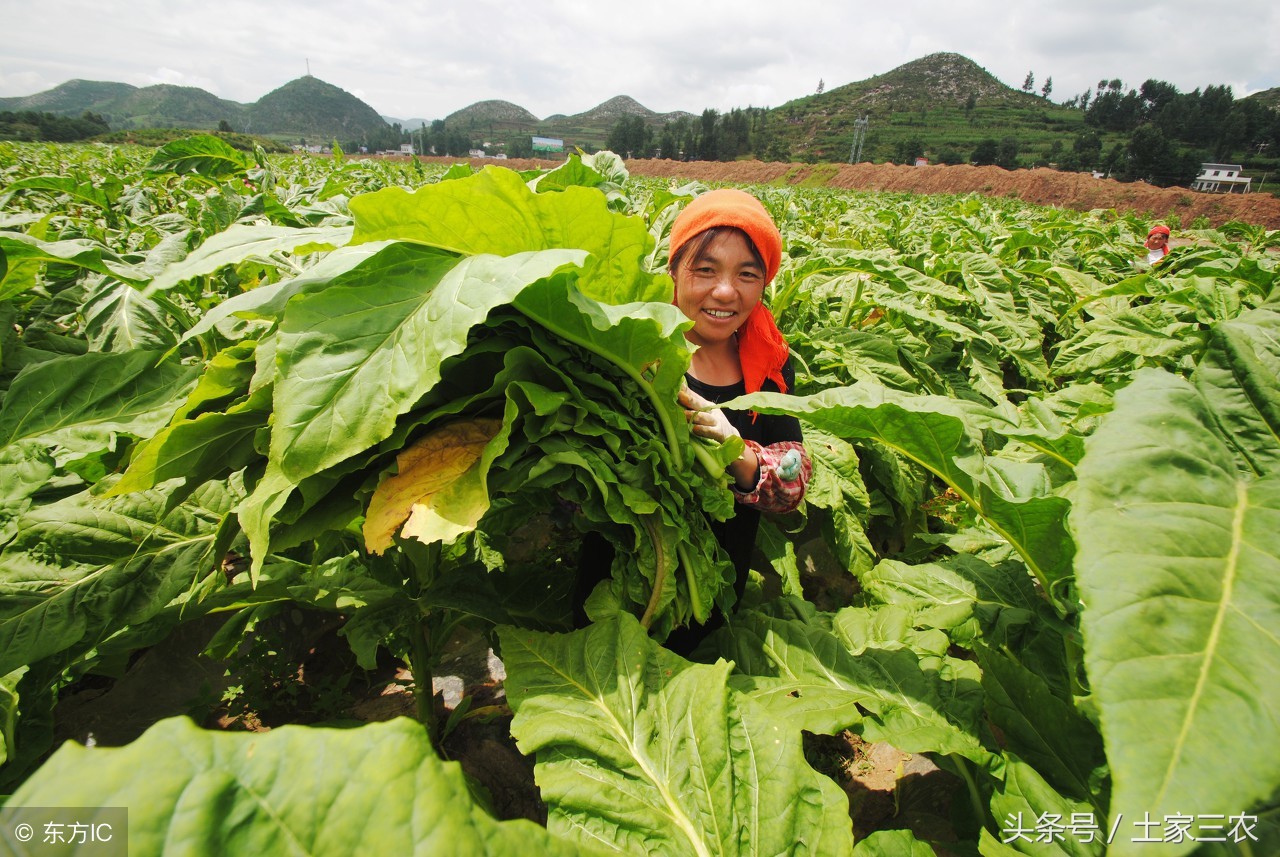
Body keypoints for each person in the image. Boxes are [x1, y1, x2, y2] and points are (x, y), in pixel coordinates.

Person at [575, 188, 812, 651]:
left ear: (764, 284)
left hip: (715, 591)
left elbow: (795, 480)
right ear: (673, 272)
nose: (725, 292)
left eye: (747, 274)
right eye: (705, 270)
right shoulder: (632, 353)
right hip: (619, 587)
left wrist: (736, 450)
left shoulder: (771, 366)